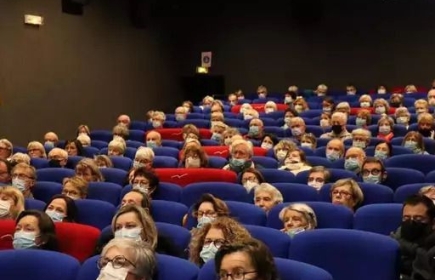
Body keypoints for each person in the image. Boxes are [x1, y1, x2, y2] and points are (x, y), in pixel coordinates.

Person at [94, 204, 182, 257]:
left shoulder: (164, 252)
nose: (123, 231)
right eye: (118, 228)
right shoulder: (105, 255)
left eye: (130, 226)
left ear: (145, 229)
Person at [391, 195, 435, 280]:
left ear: (433, 223)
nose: (411, 222)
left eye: (418, 219)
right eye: (406, 218)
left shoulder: (431, 250)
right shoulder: (392, 242)